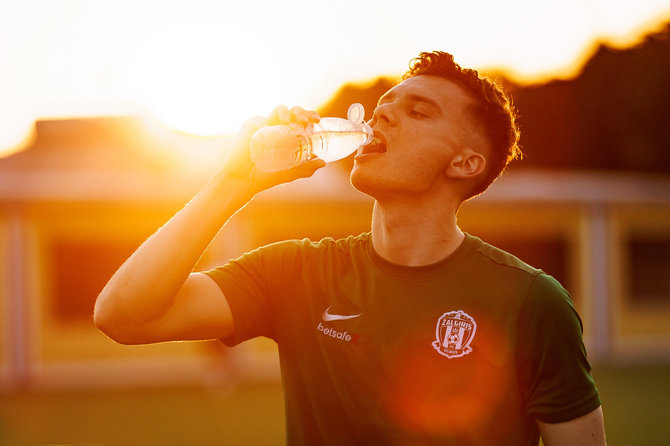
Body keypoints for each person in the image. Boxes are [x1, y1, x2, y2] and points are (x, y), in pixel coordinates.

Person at [94, 51, 607, 445]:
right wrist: (234, 183)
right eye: (383, 108)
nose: (382, 117)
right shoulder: (295, 271)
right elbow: (123, 315)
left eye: (419, 112)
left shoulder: (532, 301)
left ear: (465, 164)